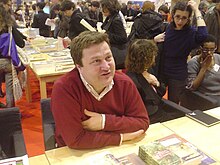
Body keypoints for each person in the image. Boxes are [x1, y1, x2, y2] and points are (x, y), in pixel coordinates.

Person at [51, 31, 149, 149]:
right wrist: (120, 137)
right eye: (96, 61)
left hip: (117, 150)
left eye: (108, 58)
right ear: (79, 67)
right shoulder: (64, 88)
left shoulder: (124, 83)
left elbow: (142, 122)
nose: (106, 67)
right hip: (73, 154)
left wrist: (104, 122)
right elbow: (75, 140)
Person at [157, 1, 208, 104]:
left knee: (174, 104)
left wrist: (196, 10)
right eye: (177, 17)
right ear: (173, 15)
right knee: (157, 100)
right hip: (161, 70)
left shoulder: (190, 33)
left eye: (184, 18)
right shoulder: (168, 27)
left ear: (188, 18)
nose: (180, 21)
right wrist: (154, 40)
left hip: (178, 74)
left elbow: (203, 35)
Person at [125, 39, 183, 124]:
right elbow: (149, 106)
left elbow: (161, 92)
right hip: (151, 118)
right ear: (145, 58)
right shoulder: (132, 80)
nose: (154, 58)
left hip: (159, 109)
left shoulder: (148, 70)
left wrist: (156, 83)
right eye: (153, 55)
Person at [0, 4, 26, 107]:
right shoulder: (9, 27)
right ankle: (10, 112)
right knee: (9, 89)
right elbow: (21, 43)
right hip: (7, 61)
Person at [187, 34, 220, 106]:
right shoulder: (194, 62)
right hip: (209, 96)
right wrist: (204, 68)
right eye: (206, 49)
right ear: (200, 48)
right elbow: (192, 87)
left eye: (212, 49)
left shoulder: (218, 58)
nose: (209, 52)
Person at [100, 0, 128, 69]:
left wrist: (106, 34)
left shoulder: (116, 20)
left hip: (117, 52)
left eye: (104, 8)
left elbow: (123, 38)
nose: (102, 10)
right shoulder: (110, 17)